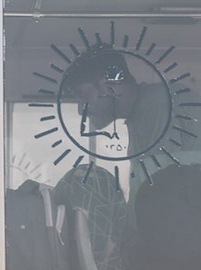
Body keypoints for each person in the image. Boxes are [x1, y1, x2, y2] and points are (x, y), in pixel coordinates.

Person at [66, 43, 201, 203]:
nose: (81, 110)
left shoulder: (158, 103)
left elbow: (161, 196)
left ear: (107, 86)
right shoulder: (143, 110)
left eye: (83, 96)